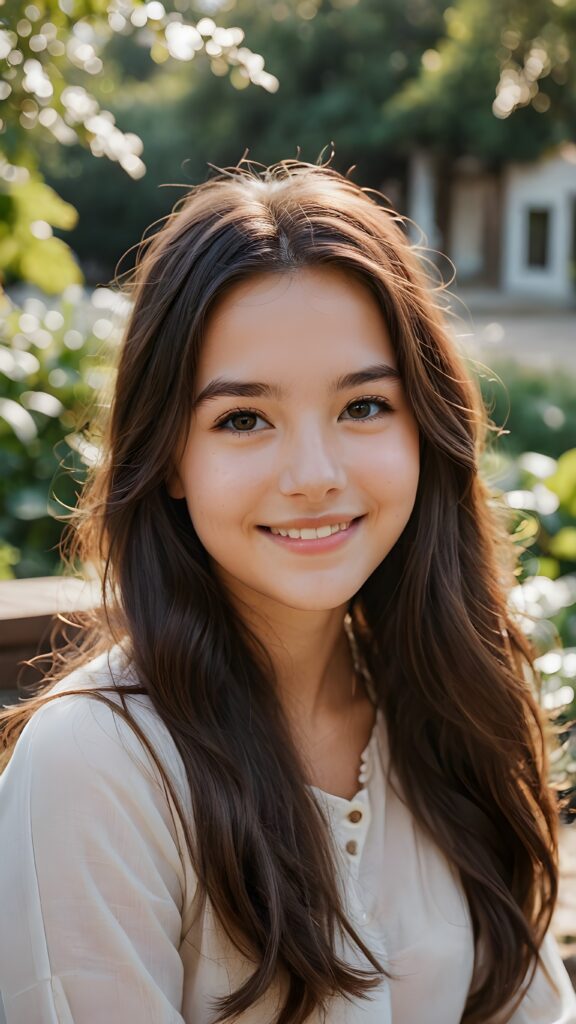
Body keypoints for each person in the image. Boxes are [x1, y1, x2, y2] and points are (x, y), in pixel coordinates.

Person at [0, 160, 574, 1024]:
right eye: (243, 418)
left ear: (426, 425)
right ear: (170, 463)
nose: (314, 475)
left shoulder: (450, 705)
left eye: (364, 407)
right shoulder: (98, 767)